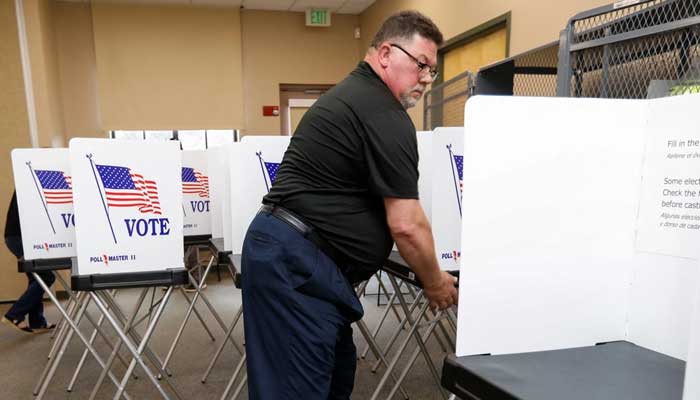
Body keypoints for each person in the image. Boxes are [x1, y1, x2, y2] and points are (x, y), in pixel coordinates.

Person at [240, 10, 458, 399]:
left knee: (334, 377)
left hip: (302, 261)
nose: (426, 78)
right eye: (421, 64)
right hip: (297, 264)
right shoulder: (382, 112)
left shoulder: (360, 98)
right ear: (387, 53)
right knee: (297, 389)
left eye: (432, 71)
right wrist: (436, 283)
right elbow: (407, 223)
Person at [1, 191, 56, 333]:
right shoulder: (27, 179)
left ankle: (37, 321)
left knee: (36, 278)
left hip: (18, 237)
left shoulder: (27, 177)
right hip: (19, 238)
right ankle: (14, 314)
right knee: (46, 276)